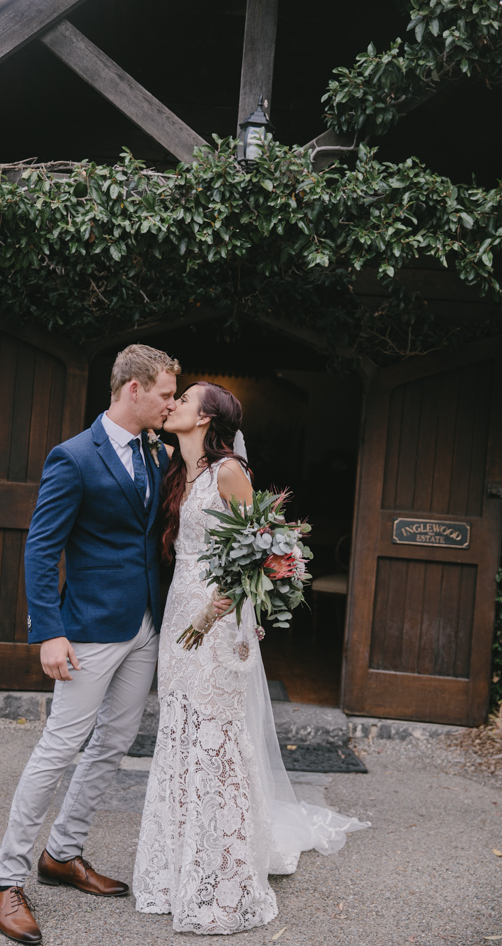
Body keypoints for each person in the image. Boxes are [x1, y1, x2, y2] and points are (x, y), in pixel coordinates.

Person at [133, 381, 369, 935]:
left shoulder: (228, 472)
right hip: (179, 610)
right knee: (180, 728)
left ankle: (224, 875)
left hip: (216, 619)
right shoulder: (178, 470)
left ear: (206, 417)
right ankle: (176, 867)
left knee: (215, 733)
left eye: (185, 399)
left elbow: (267, 550)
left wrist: (220, 609)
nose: (175, 404)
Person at [0, 344, 183, 945]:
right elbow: (41, 547)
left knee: (114, 744)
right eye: (165, 394)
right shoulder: (72, 457)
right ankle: (6, 879)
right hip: (88, 630)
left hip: (145, 625)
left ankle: (63, 853)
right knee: (60, 747)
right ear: (133, 389)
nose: (171, 403)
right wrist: (49, 630)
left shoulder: (158, 453)